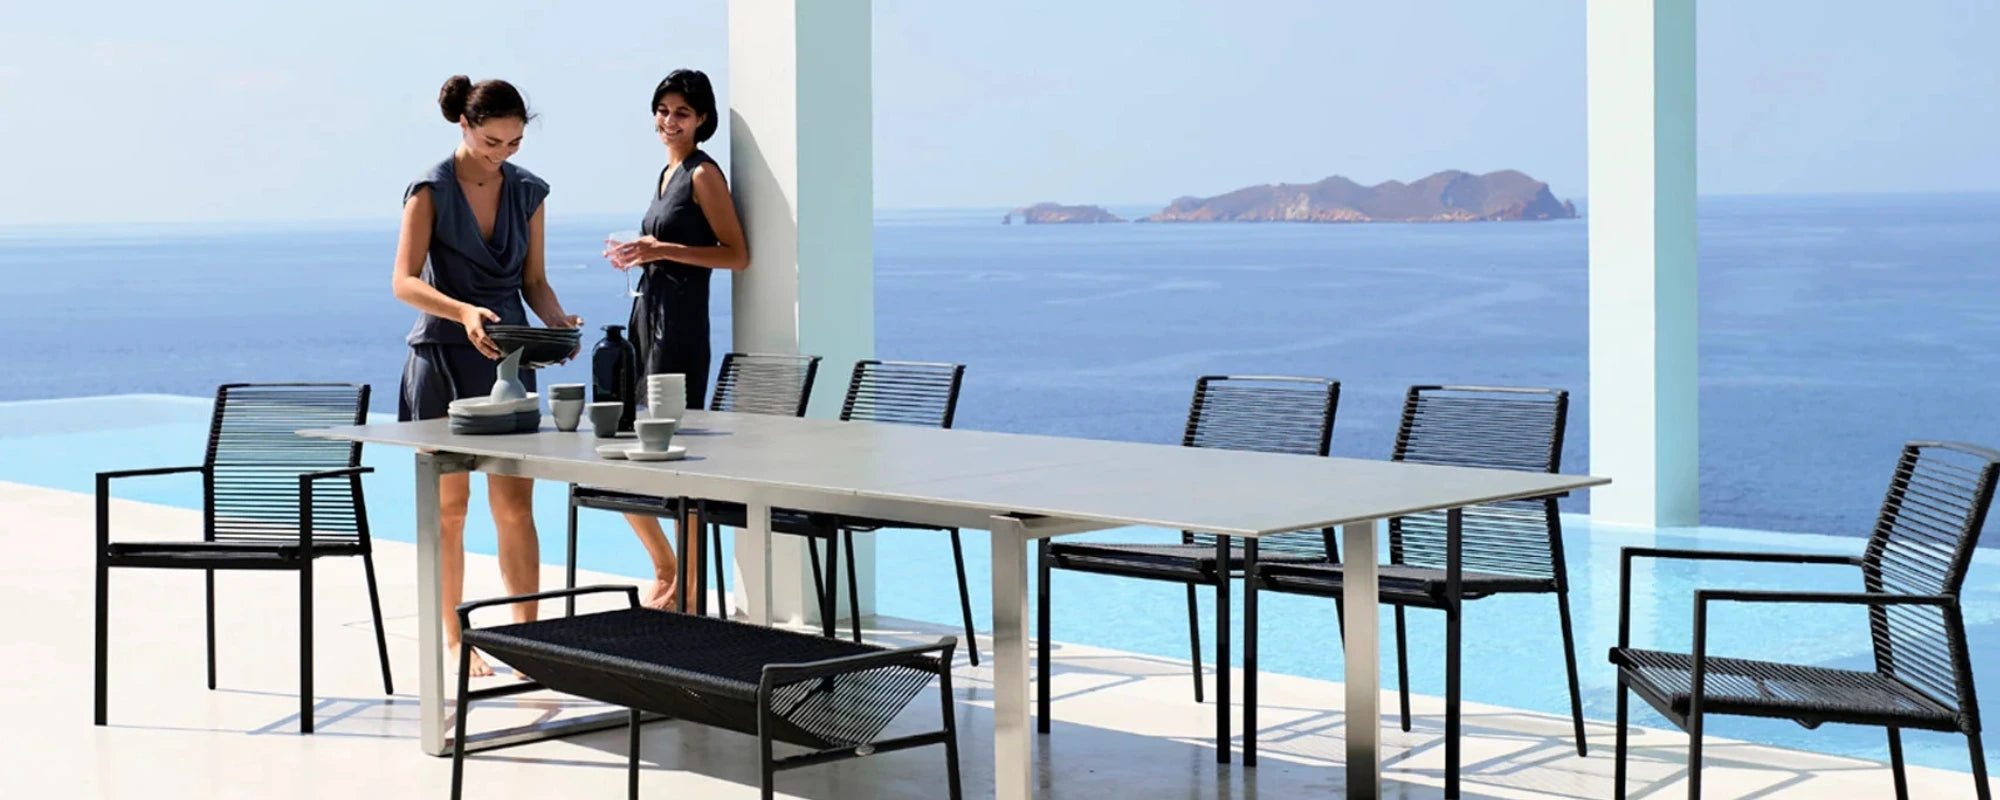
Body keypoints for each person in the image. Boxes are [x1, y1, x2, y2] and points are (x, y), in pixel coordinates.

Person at [392, 75, 580, 677]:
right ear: (465, 126)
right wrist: (463, 310)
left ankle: (527, 644)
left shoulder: (529, 192)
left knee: (516, 507)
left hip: (508, 362)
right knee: (449, 510)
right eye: (492, 141)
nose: (502, 154)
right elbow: (404, 282)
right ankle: (455, 637)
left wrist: (556, 323)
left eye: (515, 143)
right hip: (442, 358)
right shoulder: (429, 189)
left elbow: (534, 282)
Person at [605, 69, 749, 609]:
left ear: (703, 119)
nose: (669, 121)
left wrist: (662, 250)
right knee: (621, 449)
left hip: (681, 329)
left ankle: (687, 586)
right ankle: (667, 567)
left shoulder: (704, 175)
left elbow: (736, 254)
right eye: (663, 110)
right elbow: (662, 243)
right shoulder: (668, 172)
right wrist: (635, 252)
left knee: (670, 458)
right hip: (649, 317)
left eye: (682, 113)